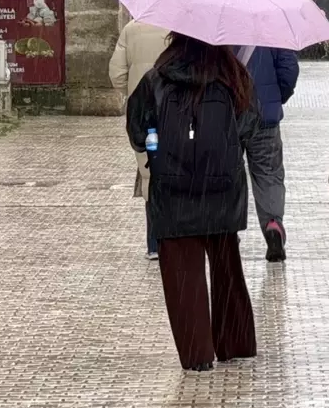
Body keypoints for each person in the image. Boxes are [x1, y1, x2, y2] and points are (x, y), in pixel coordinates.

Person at [127, 33, 259, 371]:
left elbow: (136, 132)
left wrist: (159, 145)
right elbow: (249, 126)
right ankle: (235, 343)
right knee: (227, 266)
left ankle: (196, 353)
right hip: (222, 188)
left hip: (172, 191)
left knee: (181, 273)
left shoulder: (155, 79)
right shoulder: (234, 78)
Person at [110, 18, 170, 259]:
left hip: (143, 113)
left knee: (149, 173)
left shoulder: (131, 29)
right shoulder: (179, 28)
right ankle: (176, 237)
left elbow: (116, 74)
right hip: (175, 108)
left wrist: (134, 93)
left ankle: (154, 244)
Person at [234, 45, 299, 262]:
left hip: (228, 113)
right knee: (269, 174)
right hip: (265, 116)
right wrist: (275, 97)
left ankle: (228, 231)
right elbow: (289, 69)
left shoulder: (220, 20)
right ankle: (273, 224)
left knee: (227, 172)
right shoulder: (273, 22)